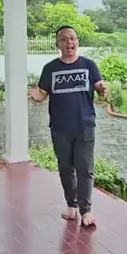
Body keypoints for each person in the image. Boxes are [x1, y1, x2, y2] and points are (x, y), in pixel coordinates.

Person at [28, 26, 107, 227]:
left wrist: (102, 89)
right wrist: (35, 95)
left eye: (72, 38)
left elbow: (99, 87)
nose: (69, 42)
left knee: (85, 169)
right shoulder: (50, 68)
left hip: (85, 126)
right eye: (64, 39)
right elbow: (42, 94)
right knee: (65, 168)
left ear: (77, 42)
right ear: (58, 44)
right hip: (60, 128)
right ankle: (72, 205)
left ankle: (86, 210)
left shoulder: (89, 65)